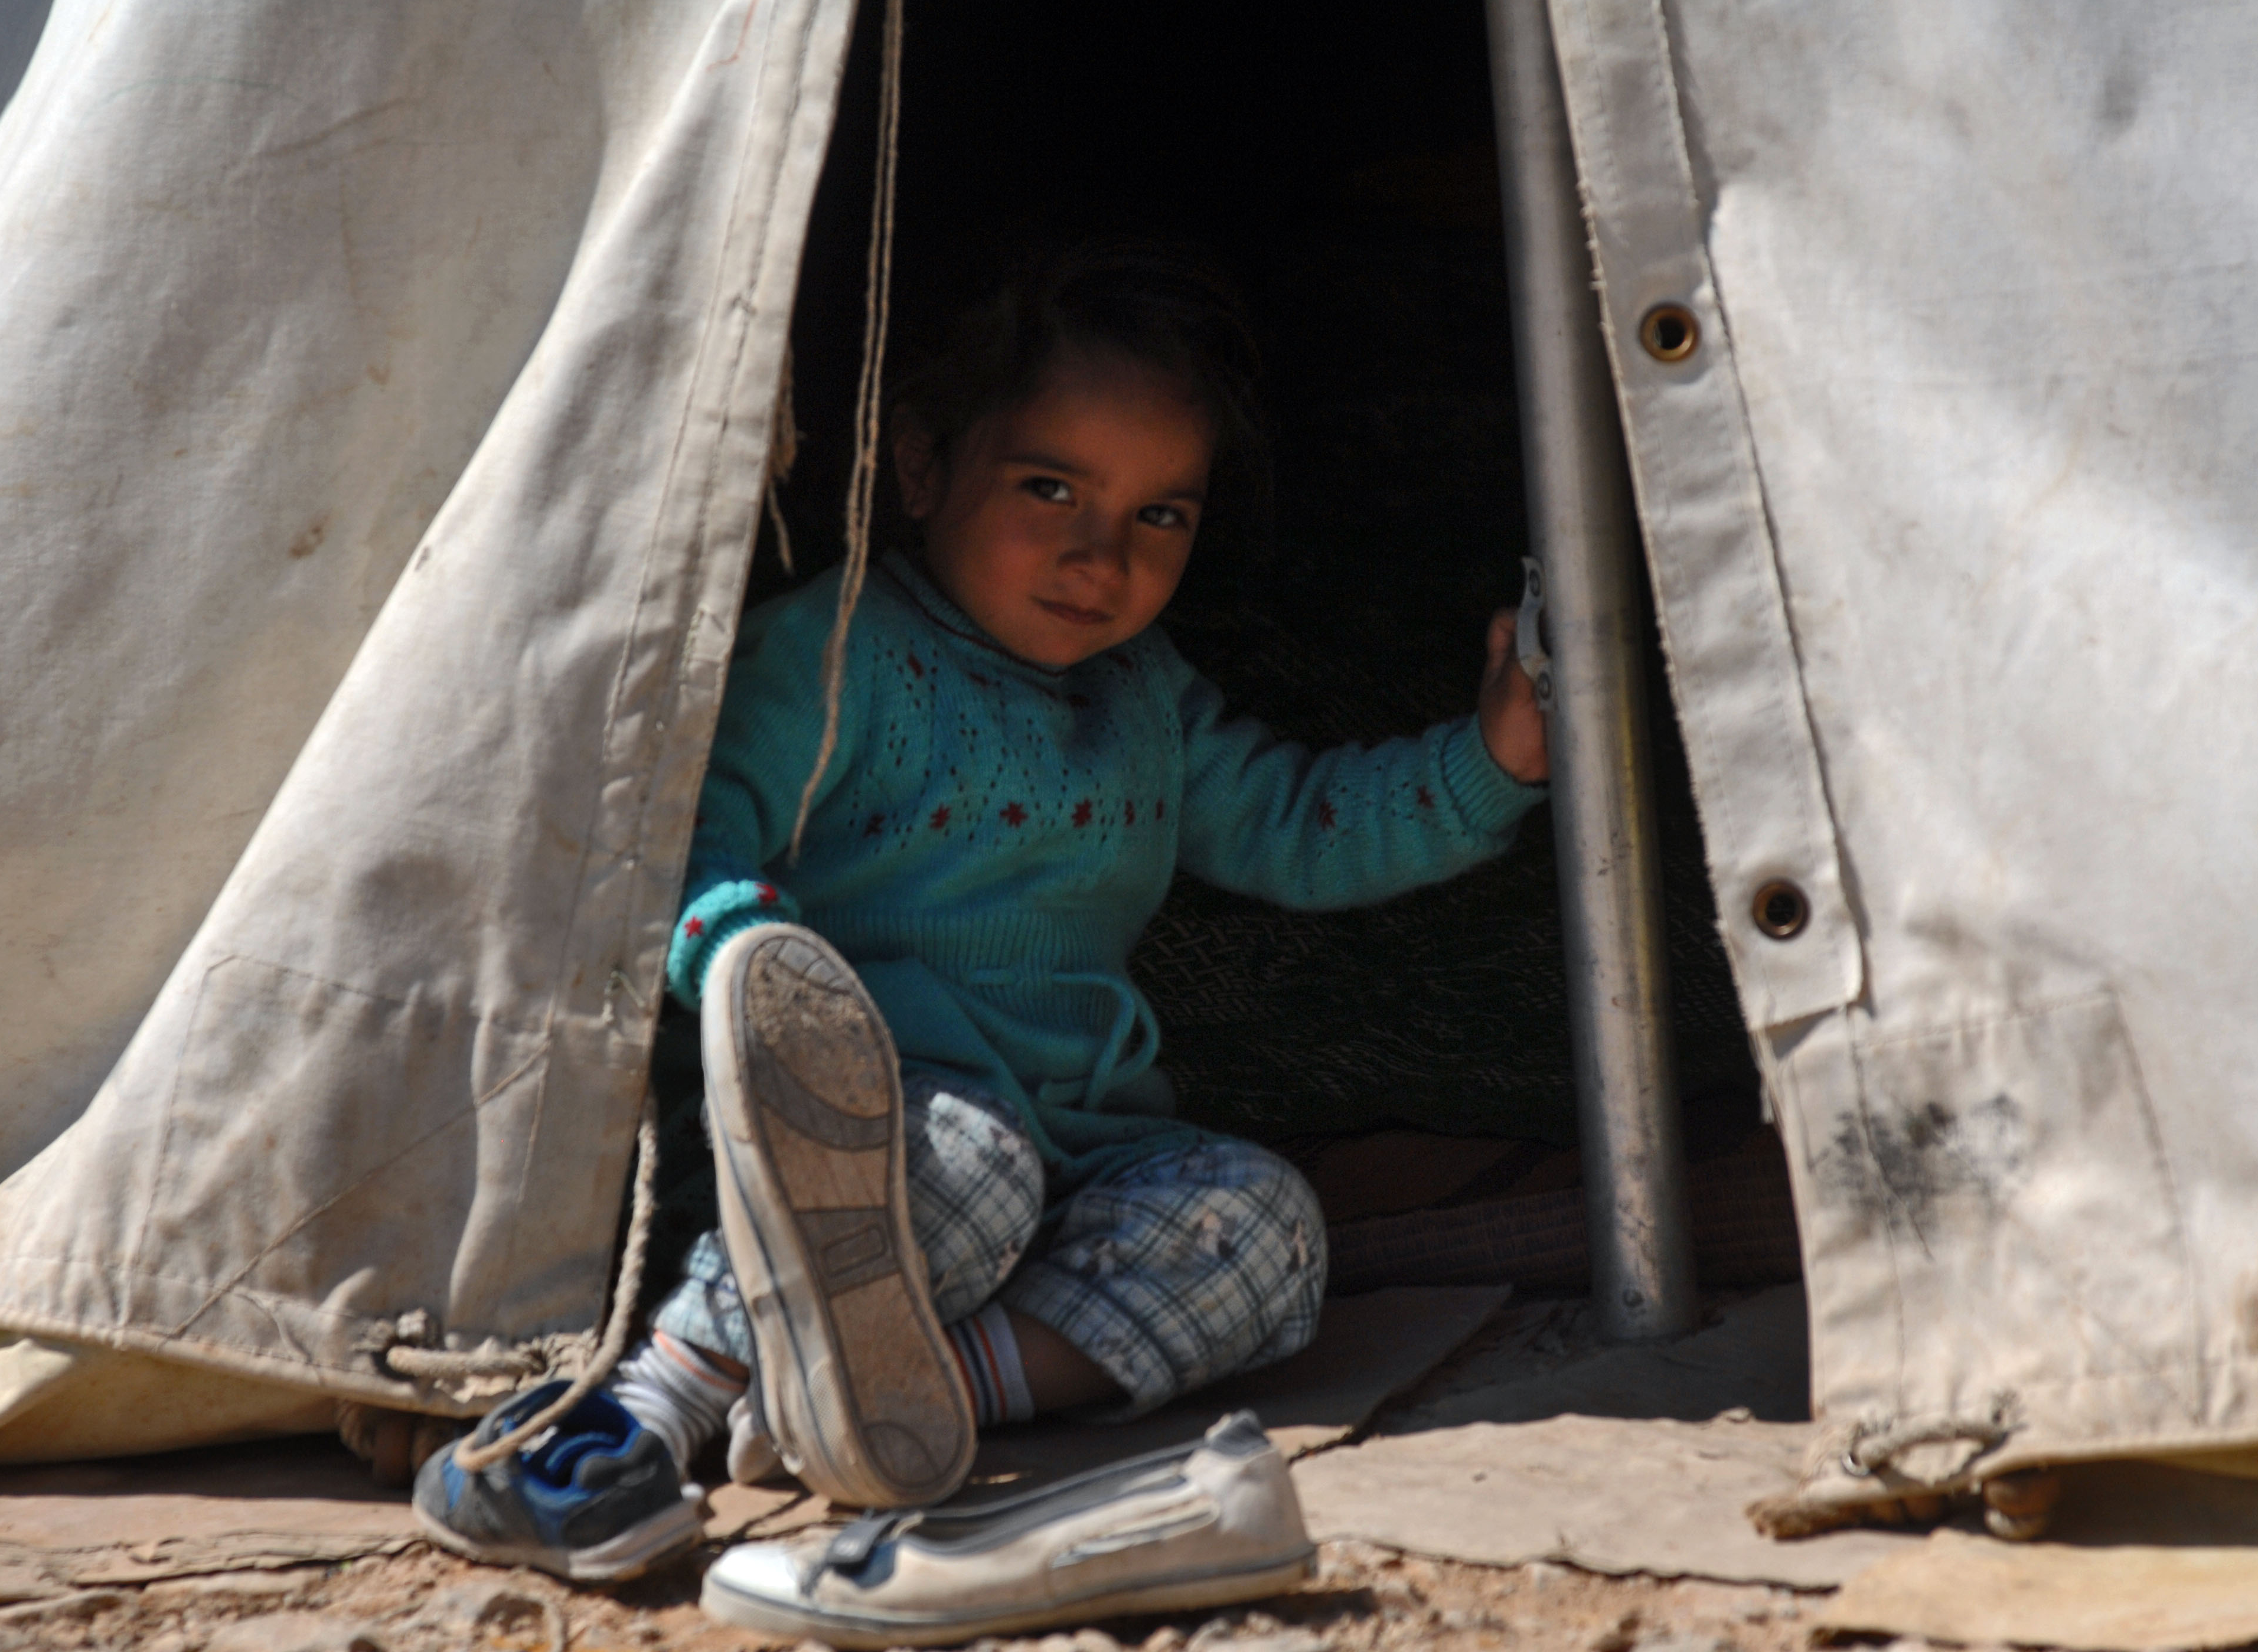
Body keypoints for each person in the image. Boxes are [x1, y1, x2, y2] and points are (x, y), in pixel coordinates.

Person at [414, 241, 1551, 1581]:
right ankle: (632, 1414)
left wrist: (1497, 755)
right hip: (853, 1149)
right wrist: (739, 951)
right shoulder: (831, 655)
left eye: (1158, 516)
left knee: (1265, 1222)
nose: (1099, 553)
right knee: (972, 1164)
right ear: (918, 466)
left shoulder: (1150, 700)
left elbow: (1304, 828)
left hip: (1078, 1158)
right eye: (1049, 487)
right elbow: (681, 831)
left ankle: (903, 1395)